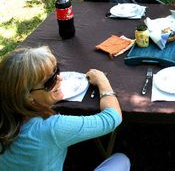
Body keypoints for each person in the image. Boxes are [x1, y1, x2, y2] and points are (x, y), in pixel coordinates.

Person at [0, 46, 131, 170]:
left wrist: (49, 96)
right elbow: (112, 118)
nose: (60, 78)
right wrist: (102, 81)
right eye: (50, 81)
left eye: (56, 70)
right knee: (121, 160)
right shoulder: (51, 128)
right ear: (28, 96)